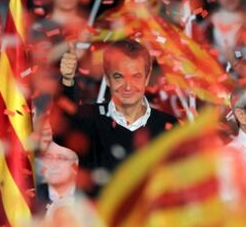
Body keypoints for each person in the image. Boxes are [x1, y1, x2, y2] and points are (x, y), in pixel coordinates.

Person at [52, 39, 178, 197]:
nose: (128, 86)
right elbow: (61, 130)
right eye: (119, 77)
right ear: (107, 78)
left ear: (147, 77)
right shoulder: (89, 119)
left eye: (136, 76)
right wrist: (67, 81)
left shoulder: (168, 126)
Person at [36, 140, 79, 216]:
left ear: (75, 166)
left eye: (61, 158)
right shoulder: (32, 196)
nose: (53, 164)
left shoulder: (90, 197)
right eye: (48, 158)